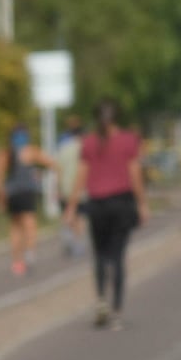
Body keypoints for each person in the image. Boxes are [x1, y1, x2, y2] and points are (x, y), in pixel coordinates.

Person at [66, 98, 148, 329]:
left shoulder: (89, 143)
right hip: (121, 203)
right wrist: (142, 203)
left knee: (100, 255)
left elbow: (81, 175)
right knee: (118, 257)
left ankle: (101, 299)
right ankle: (117, 310)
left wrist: (72, 206)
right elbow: (135, 174)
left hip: (97, 205)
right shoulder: (128, 141)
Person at [0, 124, 52, 276]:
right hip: (27, 192)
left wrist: (1, 199)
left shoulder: (4, 154)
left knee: (16, 227)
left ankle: (17, 262)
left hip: (11, 194)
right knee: (30, 224)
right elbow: (52, 164)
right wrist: (39, 172)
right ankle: (30, 253)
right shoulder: (30, 151)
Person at [53, 112, 85, 258]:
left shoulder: (63, 148)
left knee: (67, 213)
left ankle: (68, 235)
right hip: (81, 189)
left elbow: (58, 169)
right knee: (79, 216)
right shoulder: (84, 149)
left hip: (66, 187)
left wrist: (57, 188)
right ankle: (78, 243)